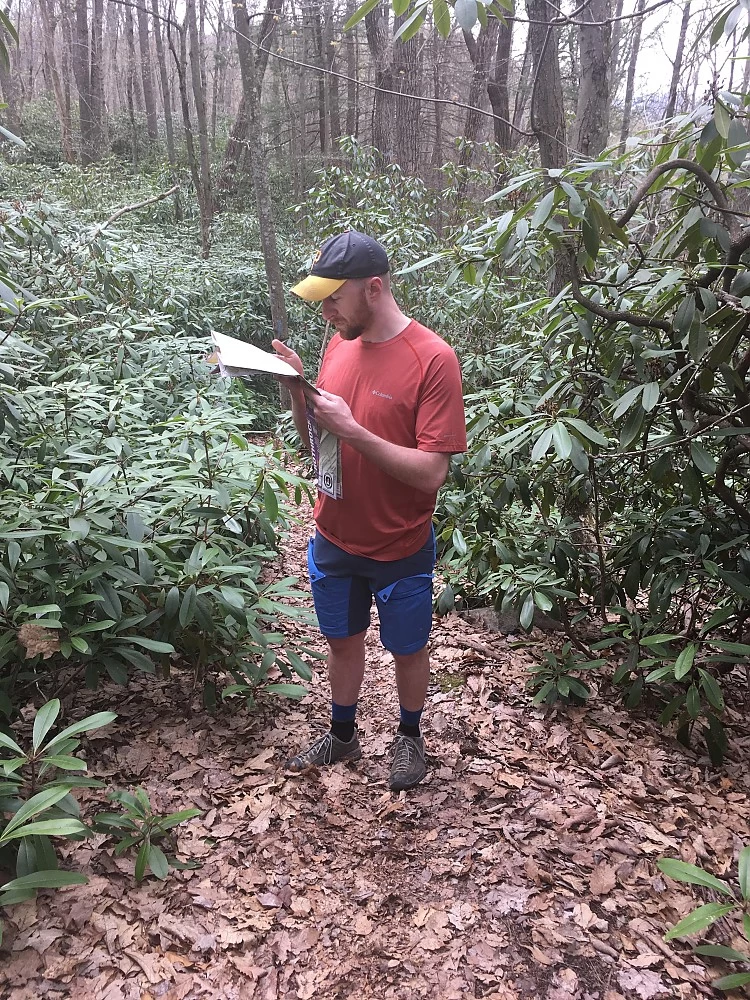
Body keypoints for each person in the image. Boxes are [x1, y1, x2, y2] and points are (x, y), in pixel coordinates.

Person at [272, 230, 467, 791]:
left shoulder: (433, 359)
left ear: (374, 288)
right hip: (334, 534)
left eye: (334, 298)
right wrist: (298, 390)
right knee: (341, 641)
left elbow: (431, 472)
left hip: (400, 543)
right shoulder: (339, 344)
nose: (325, 311)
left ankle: (410, 737)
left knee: (408, 648)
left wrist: (354, 430)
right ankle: (342, 733)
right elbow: (316, 442)